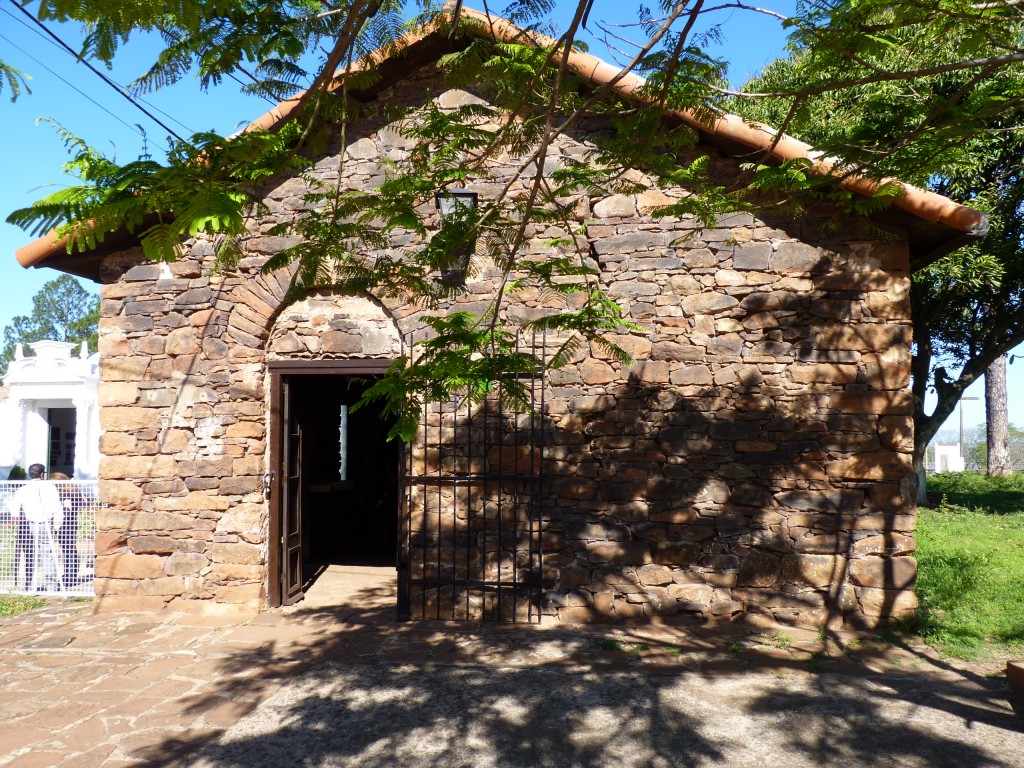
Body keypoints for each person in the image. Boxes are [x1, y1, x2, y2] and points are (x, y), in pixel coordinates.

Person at [7, 463, 64, 592]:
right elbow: (57, 507)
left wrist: (16, 518)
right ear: (42, 474)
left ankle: (30, 586)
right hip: (46, 523)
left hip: (29, 524)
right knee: (48, 555)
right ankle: (51, 587)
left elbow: (14, 509)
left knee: (30, 555)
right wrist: (57, 524)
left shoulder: (23, 489)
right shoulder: (50, 488)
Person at [50, 472, 81, 586]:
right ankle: (70, 574)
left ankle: (70, 576)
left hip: (65, 524)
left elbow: (67, 510)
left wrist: (57, 522)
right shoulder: (73, 491)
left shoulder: (65, 493)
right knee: (70, 549)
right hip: (72, 523)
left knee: (68, 550)